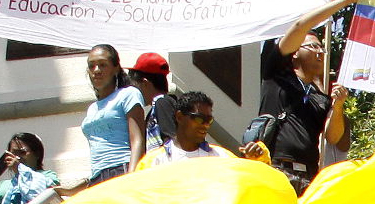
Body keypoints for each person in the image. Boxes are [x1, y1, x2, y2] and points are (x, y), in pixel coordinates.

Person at [258, 0, 368, 197]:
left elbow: (333, 137)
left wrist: (337, 107)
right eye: (313, 46)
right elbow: (301, 26)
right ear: (295, 52)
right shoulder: (277, 74)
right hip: (275, 171)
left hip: (309, 178)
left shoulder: (320, 96)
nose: (320, 52)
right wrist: (345, 1)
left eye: (322, 48)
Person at [136, 91, 268, 169]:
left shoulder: (221, 157)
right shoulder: (154, 161)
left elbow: (249, 177)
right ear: (180, 117)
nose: (205, 125)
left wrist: (257, 157)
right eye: (199, 119)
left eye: (209, 120)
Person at [81, 45, 145, 185]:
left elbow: (138, 140)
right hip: (97, 177)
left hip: (121, 169)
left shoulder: (128, 94)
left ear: (116, 68)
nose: (96, 70)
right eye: (91, 66)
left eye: (102, 65)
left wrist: (132, 176)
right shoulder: (92, 108)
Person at [0, 133, 59, 204]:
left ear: (37, 154)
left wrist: (20, 168)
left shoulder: (48, 177)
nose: (17, 158)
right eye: (13, 153)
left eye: (22, 153)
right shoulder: (4, 186)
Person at [127, 54, 176, 151]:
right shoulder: (156, 107)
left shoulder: (162, 103)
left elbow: (170, 139)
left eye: (135, 86)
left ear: (145, 83)